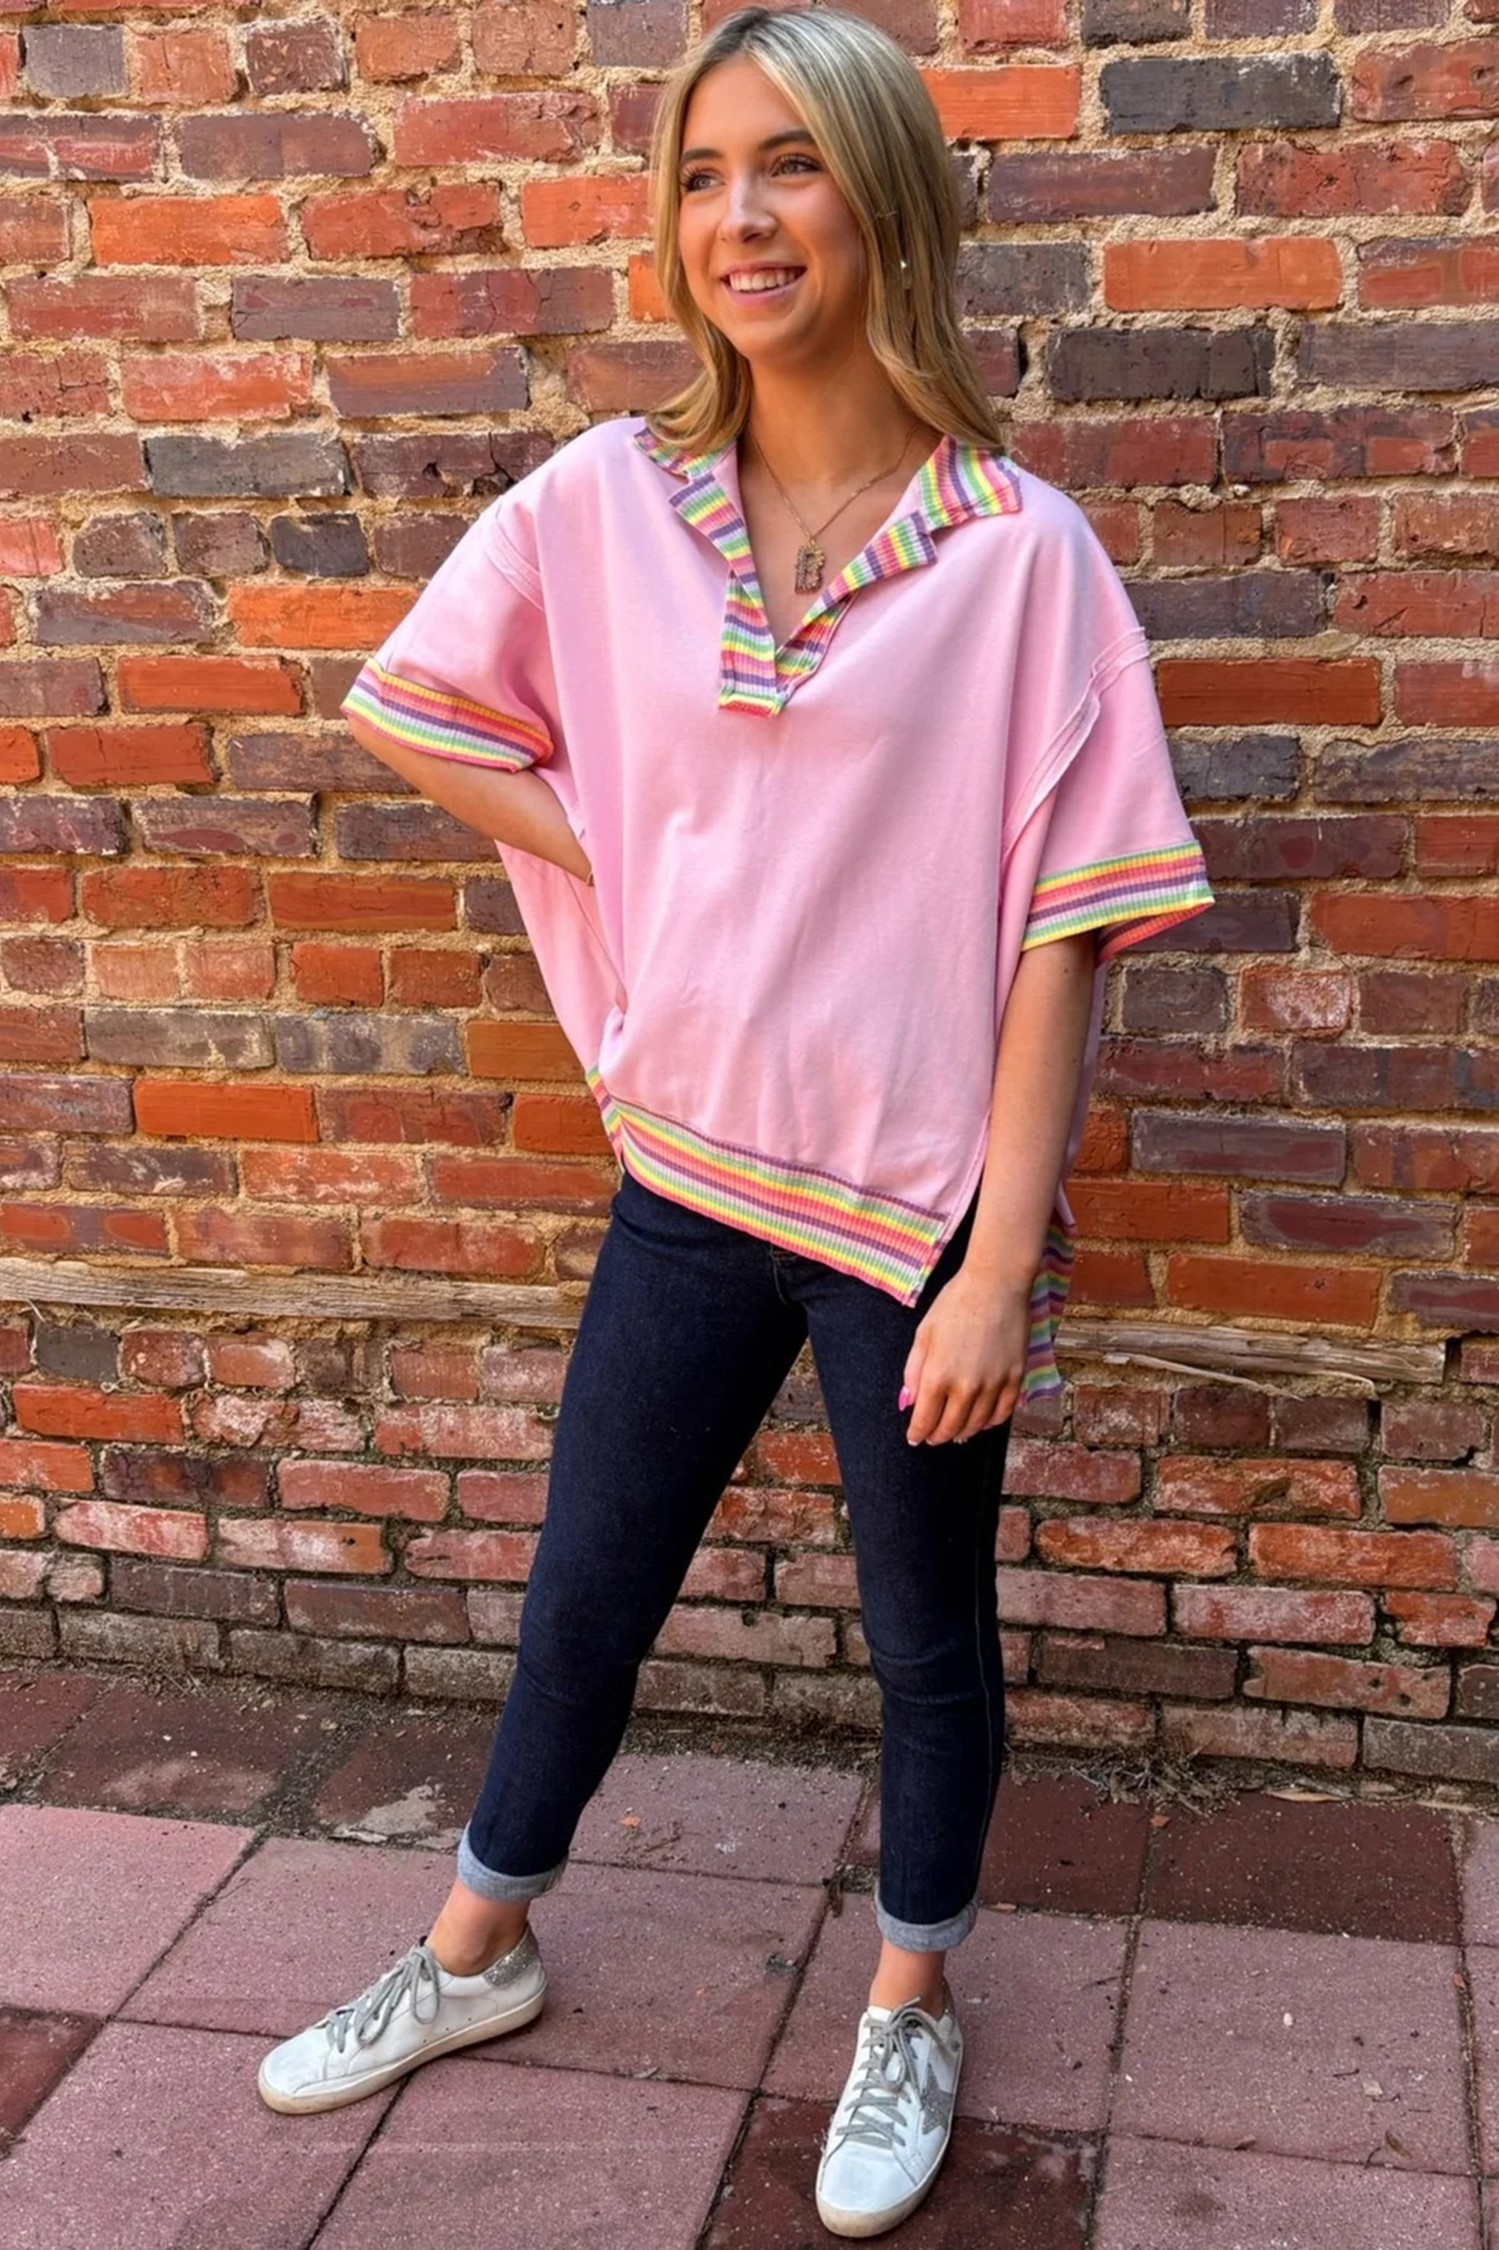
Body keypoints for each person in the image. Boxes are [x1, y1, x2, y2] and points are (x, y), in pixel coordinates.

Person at [256, 5, 1212, 2234]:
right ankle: (473, 1950)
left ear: (887, 202)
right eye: (701, 175)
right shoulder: (611, 501)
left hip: (910, 1213)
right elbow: (414, 707)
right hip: (685, 1173)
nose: (740, 217)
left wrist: (999, 1261)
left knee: (922, 1637)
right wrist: (620, 851)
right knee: (586, 1589)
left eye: (789, 165)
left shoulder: (1025, 558)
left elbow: (1063, 933)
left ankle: (909, 2000)